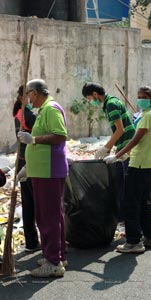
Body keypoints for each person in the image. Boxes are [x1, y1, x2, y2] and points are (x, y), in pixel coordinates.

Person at [17, 79, 68, 277]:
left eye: (28, 94)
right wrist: (28, 168)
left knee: (48, 217)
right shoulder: (44, 110)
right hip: (42, 170)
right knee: (52, 215)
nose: (27, 99)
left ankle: (53, 262)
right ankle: (57, 255)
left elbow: (60, 135)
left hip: (49, 171)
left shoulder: (50, 109)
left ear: (35, 93)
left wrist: (34, 139)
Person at [104, 86, 151, 253]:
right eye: (138, 96)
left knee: (130, 203)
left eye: (143, 96)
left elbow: (135, 140)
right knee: (143, 202)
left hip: (138, 164)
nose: (140, 99)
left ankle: (133, 241)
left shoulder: (148, 117)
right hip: (147, 163)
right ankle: (150, 236)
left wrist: (117, 155)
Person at [82, 83, 135, 221]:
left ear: (95, 94)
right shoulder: (112, 101)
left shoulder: (111, 104)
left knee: (126, 185)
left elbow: (120, 130)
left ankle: (128, 218)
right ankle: (124, 216)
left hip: (128, 147)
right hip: (125, 146)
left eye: (89, 98)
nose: (90, 102)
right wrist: (110, 148)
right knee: (123, 183)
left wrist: (106, 148)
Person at [13, 85, 40, 252]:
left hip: (21, 161)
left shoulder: (20, 113)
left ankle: (31, 242)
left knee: (29, 204)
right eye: (30, 95)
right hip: (29, 163)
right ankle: (39, 240)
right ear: (23, 98)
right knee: (36, 203)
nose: (32, 98)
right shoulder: (27, 115)